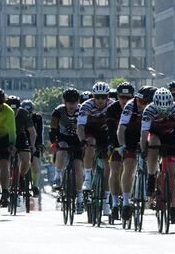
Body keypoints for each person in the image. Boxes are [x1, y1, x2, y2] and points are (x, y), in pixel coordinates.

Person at [140, 88, 175, 224]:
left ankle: (173, 207)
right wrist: (144, 149)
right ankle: (151, 175)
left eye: (166, 110)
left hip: (171, 136)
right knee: (153, 143)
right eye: (160, 110)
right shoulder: (149, 109)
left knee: (173, 172)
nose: (163, 113)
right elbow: (144, 133)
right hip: (155, 134)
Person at [117, 86, 157, 220]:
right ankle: (126, 202)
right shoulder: (130, 105)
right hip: (131, 135)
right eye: (139, 101)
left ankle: (153, 180)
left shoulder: (157, 107)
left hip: (149, 134)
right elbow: (121, 129)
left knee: (153, 149)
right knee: (129, 166)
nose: (141, 105)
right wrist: (123, 146)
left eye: (145, 102)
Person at [77, 81, 115, 216]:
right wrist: (82, 140)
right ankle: (87, 178)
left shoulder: (112, 105)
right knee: (90, 144)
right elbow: (80, 126)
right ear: (93, 96)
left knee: (108, 166)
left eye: (103, 97)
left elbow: (116, 126)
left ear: (108, 96)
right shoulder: (86, 105)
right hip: (90, 131)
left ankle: (106, 201)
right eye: (97, 97)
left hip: (105, 133)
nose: (100, 100)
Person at [50, 88, 85, 213]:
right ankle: (58, 175)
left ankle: (80, 198)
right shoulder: (58, 111)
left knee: (78, 167)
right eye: (69, 102)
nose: (71, 105)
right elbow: (53, 128)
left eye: (74, 102)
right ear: (64, 102)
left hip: (77, 139)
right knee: (62, 148)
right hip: (63, 137)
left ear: (78, 101)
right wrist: (54, 142)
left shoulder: (82, 110)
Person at [106, 81, 135, 219]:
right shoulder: (112, 109)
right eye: (121, 97)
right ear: (117, 97)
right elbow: (111, 130)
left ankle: (126, 200)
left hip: (132, 141)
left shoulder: (135, 107)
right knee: (115, 169)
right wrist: (114, 145)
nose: (124, 100)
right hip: (116, 141)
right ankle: (115, 204)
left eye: (128, 97)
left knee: (129, 169)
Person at [6, 95, 37, 208]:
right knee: (5, 159)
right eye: (11, 110)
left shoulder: (24, 113)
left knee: (26, 158)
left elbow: (32, 132)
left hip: (20, 136)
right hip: (6, 137)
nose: (13, 112)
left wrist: (33, 145)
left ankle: (21, 176)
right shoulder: (3, 113)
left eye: (16, 109)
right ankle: (7, 181)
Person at [22, 100, 43, 197]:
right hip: (21, 143)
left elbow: (39, 133)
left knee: (35, 165)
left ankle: (35, 186)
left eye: (29, 113)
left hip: (34, 144)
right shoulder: (18, 118)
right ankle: (19, 181)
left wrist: (38, 145)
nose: (28, 115)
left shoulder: (37, 118)